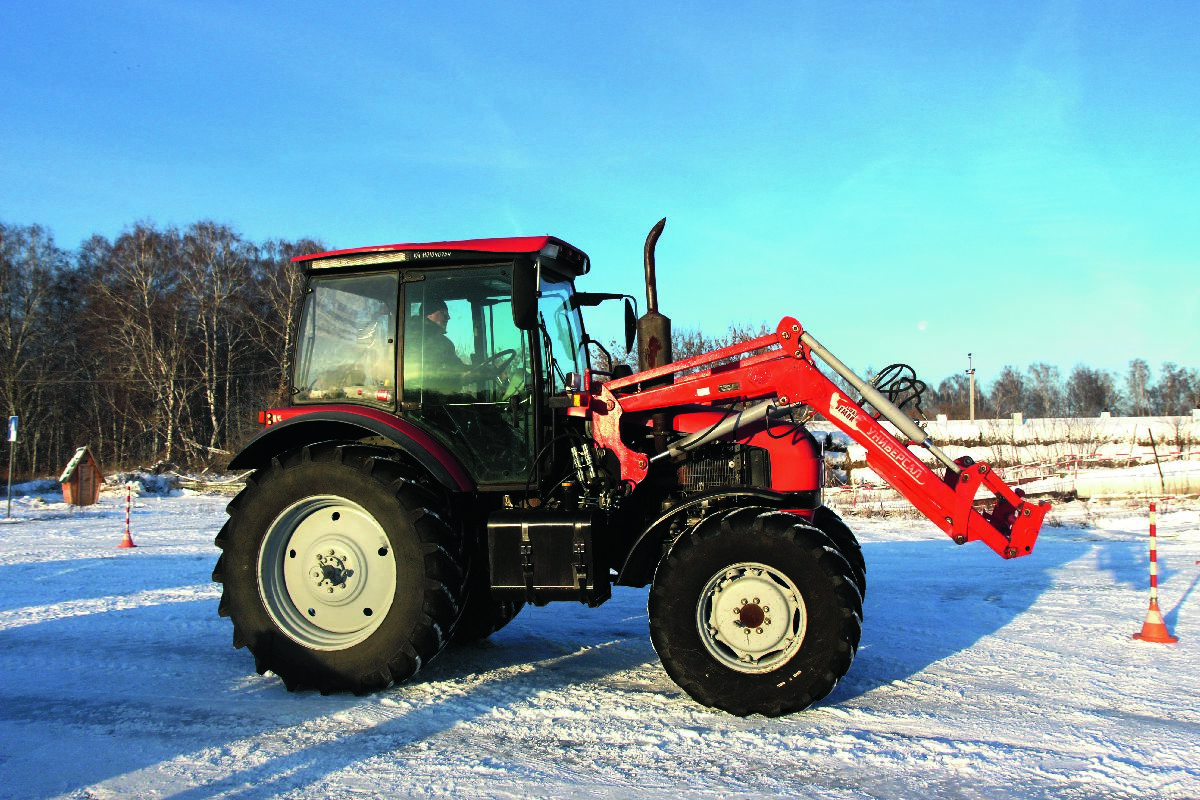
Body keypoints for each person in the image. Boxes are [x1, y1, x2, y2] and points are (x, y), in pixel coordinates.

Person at [405, 298, 469, 395]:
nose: (448, 317)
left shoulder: (407, 335)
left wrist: (477, 370)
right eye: (443, 312)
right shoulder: (425, 341)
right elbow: (430, 374)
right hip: (429, 399)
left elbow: (456, 367)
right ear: (429, 314)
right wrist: (462, 377)